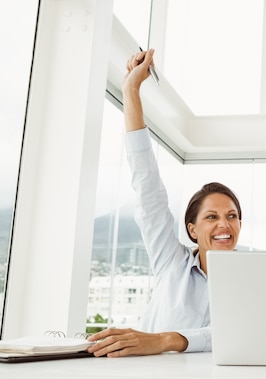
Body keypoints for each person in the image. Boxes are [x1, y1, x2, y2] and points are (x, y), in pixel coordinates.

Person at [88, 49, 242, 357]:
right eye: (211, 217)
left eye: (232, 216)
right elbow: (148, 187)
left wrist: (166, 340)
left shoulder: (251, 278)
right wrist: (131, 91)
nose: (224, 224)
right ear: (192, 229)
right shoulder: (172, 263)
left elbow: (237, 334)